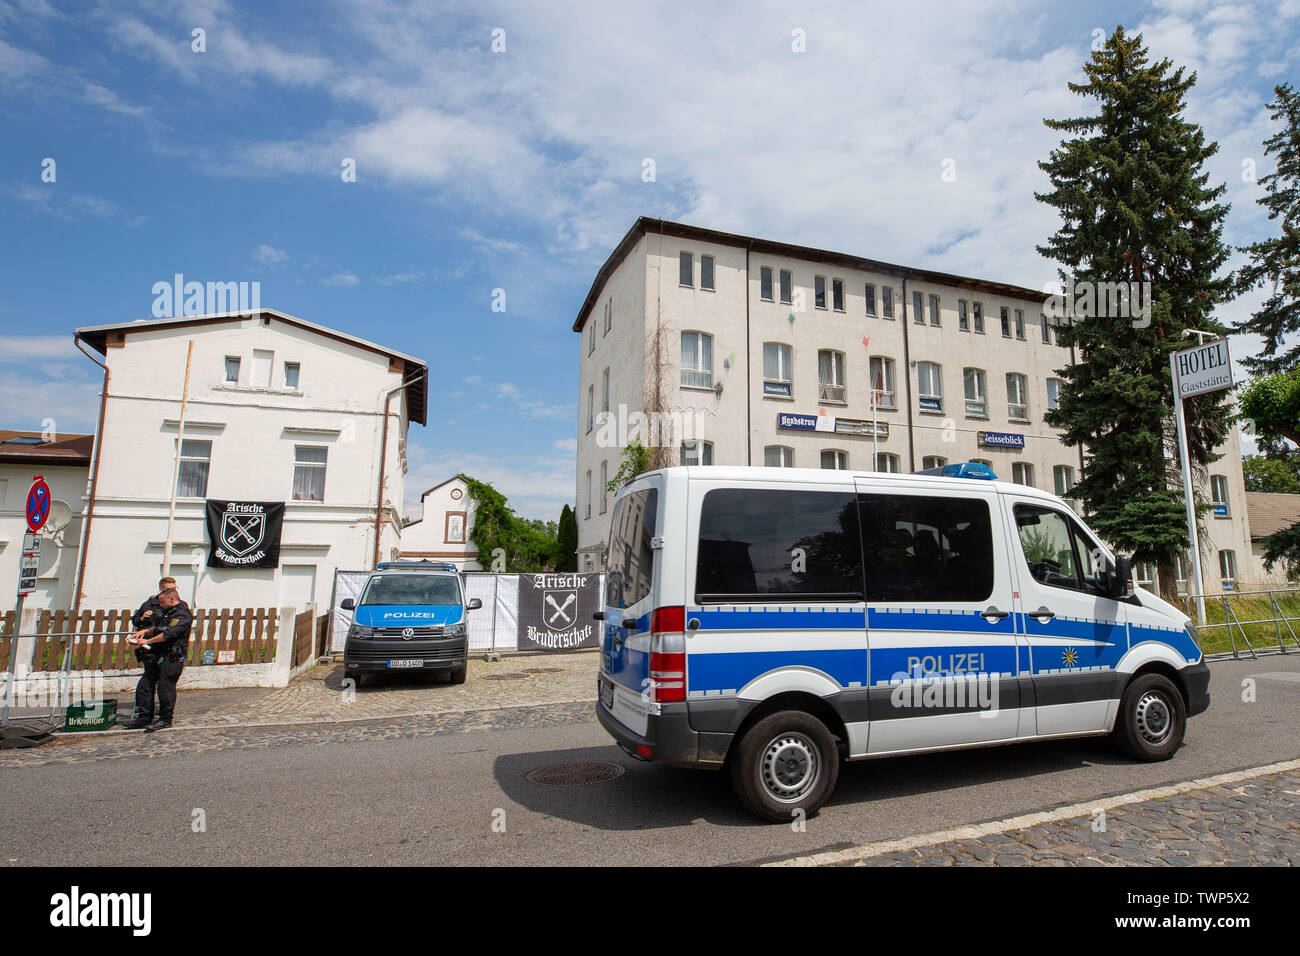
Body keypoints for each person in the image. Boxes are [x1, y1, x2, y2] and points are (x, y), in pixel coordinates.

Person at [121, 587, 193, 732]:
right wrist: (145, 631)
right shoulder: (166, 611)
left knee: (165, 687)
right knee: (145, 685)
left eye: (162, 601)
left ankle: (165, 719)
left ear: (172, 599)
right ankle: (144, 717)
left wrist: (148, 641)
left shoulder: (183, 614)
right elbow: (159, 627)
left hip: (172, 655)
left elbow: (168, 633)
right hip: (157, 654)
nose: (160, 605)